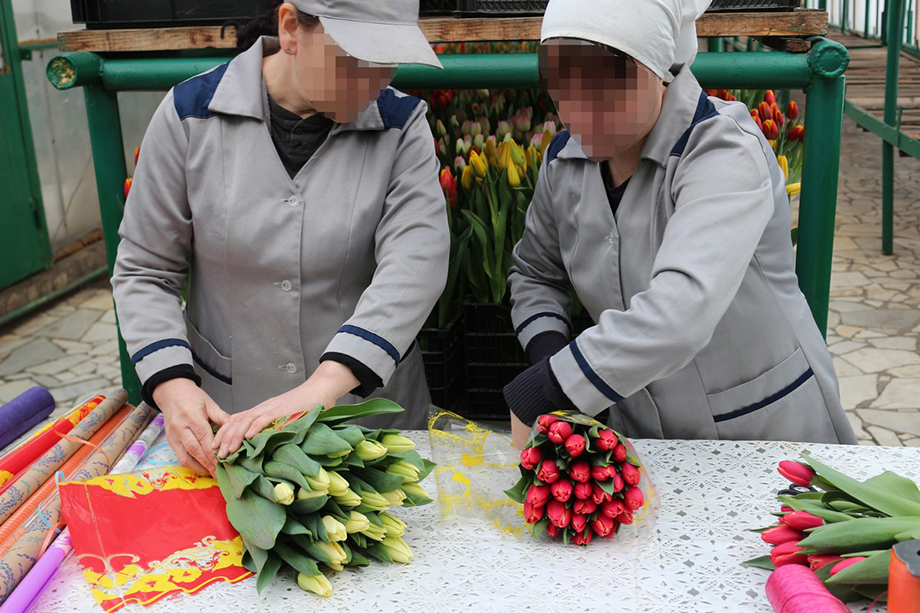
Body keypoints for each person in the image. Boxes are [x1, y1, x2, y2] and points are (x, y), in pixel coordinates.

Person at [112, 0, 448, 476]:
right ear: (291, 28)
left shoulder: (400, 124)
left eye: (386, 60)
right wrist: (173, 386)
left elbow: (416, 262)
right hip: (229, 417)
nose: (374, 80)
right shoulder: (190, 115)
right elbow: (145, 270)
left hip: (365, 412)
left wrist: (323, 386)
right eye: (354, 58)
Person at [502, 0, 857, 448]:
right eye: (560, 84)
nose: (575, 110)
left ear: (660, 71)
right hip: (645, 439)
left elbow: (679, 310)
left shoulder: (723, 152)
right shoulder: (564, 163)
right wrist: (547, 353)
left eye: (603, 86)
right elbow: (536, 273)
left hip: (765, 436)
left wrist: (550, 387)